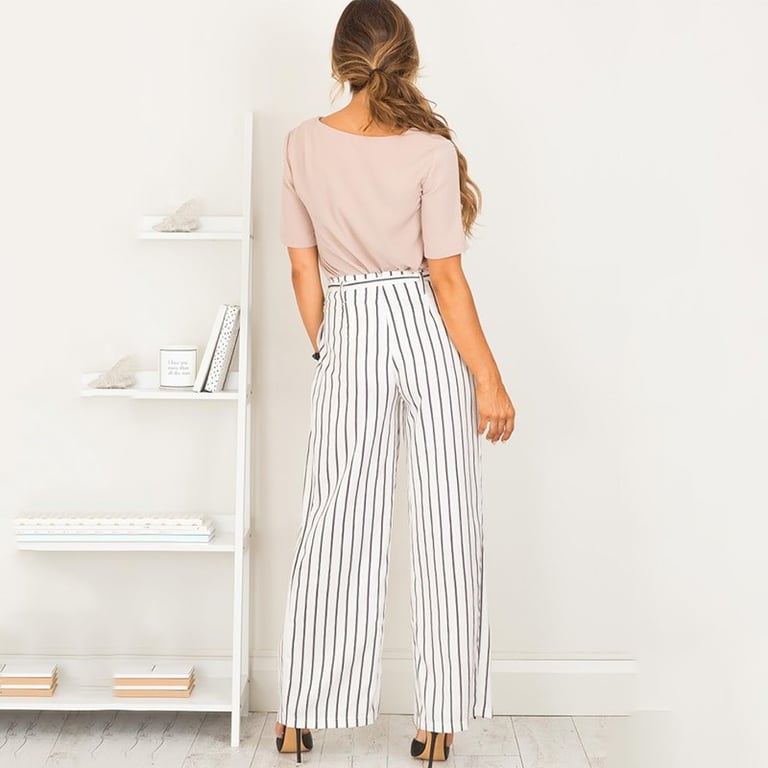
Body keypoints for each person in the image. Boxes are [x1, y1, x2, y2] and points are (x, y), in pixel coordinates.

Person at [274, 0, 515, 764]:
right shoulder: (430, 151)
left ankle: (298, 711)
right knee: (448, 522)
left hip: (348, 322)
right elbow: (446, 278)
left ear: (341, 61)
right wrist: (489, 379)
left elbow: (302, 268)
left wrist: (330, 349)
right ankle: (438, 721)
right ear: (408, 60)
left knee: (335, 522)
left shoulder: (301, 143)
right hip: (425, 326)